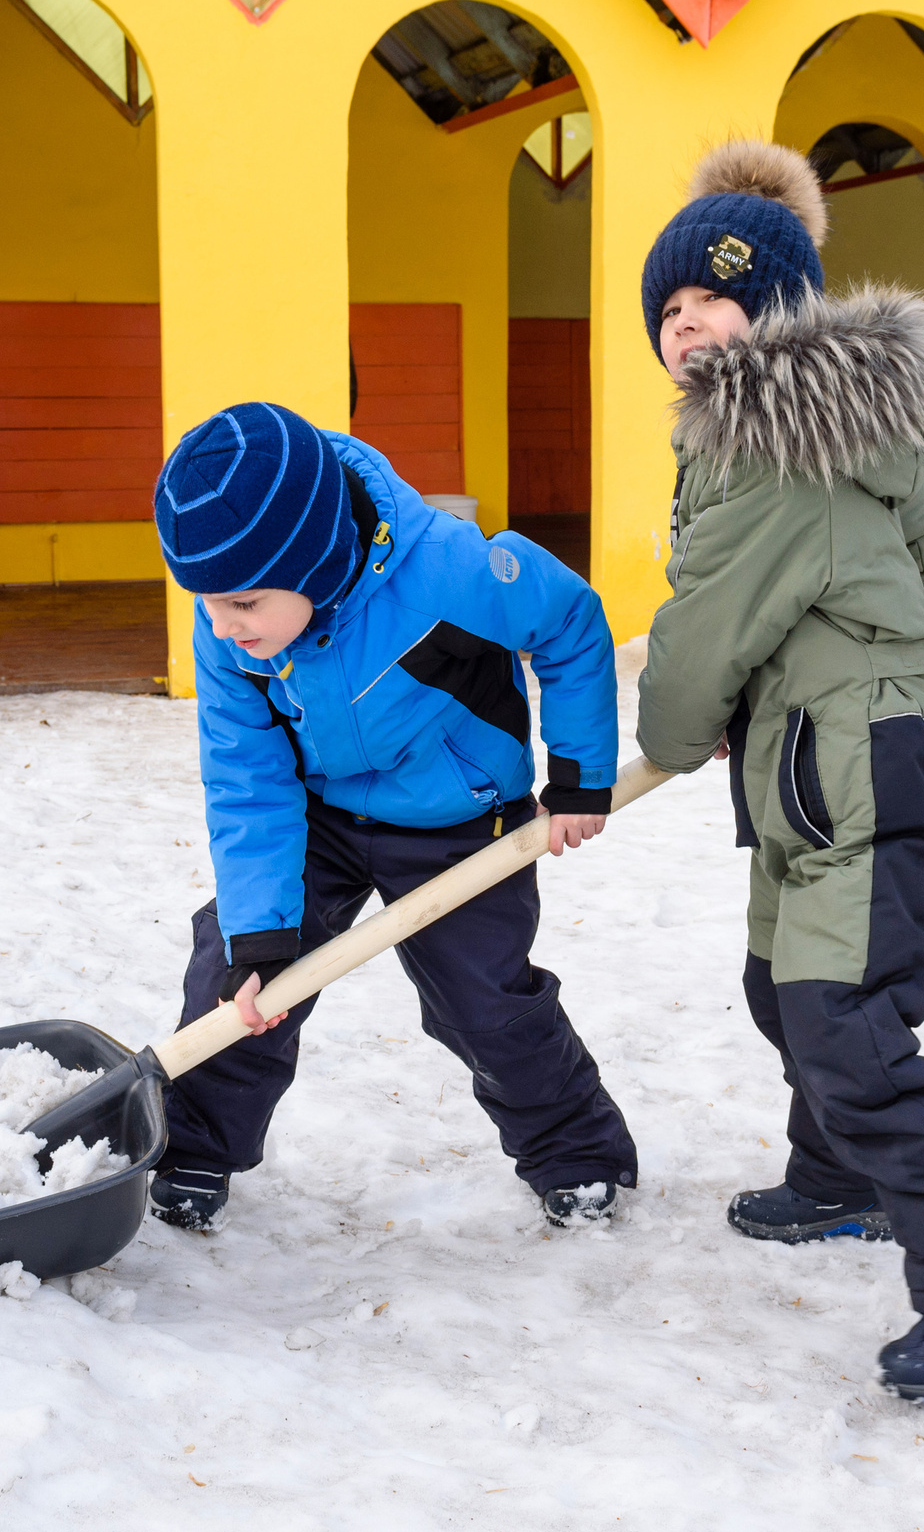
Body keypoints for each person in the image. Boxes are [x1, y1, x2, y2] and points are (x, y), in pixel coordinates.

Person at [632, 142, 924, 1405]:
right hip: (812, 753)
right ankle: (842, 1178)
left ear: (780, 312)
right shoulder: (832, 420)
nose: (687, 327)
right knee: (789, 989)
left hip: (861, 755)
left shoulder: (763, 446)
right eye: (668, 309)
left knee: (849, 1026)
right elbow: (917, 514)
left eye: (714, 302)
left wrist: (665, 737)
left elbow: (705, 623)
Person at [150, 400, 639, 1231]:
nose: (224, 626)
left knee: (484, 1000)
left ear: (310, 561)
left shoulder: (448, 570)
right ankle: (196, 1147)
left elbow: (569, 619)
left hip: (459, 816)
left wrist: (581, 774)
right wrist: (264, 927)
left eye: (243, 604)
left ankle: (578, 1154)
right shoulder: (229, 630)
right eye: (207, 602)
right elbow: (245, 775)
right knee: (238, 978)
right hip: (321, 816)